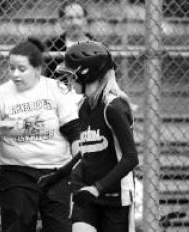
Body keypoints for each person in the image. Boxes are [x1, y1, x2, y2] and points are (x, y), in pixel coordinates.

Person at [0, 37, 81, 232]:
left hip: (57, 171)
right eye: (11, 68)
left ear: (38, 69)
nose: (15, 74)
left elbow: (74, 133)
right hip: (17, 172)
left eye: (22, 69)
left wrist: (75, 170)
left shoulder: (55, 89)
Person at [38, 41, 139, 232]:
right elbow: (86, 151)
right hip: (87, 193)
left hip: (115, 197)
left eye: (71, 75)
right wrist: (58, 175)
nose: (68, 81)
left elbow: (130, 158)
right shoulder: (85, 106)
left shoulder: (114, 107)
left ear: (87, 74)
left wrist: (98, 188)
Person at [44, 0, 94, 79]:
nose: (75, 22)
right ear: (61, 22)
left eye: (79, 17)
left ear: (85, 20)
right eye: (70, 18)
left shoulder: (100, 46)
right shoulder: (50, 46)